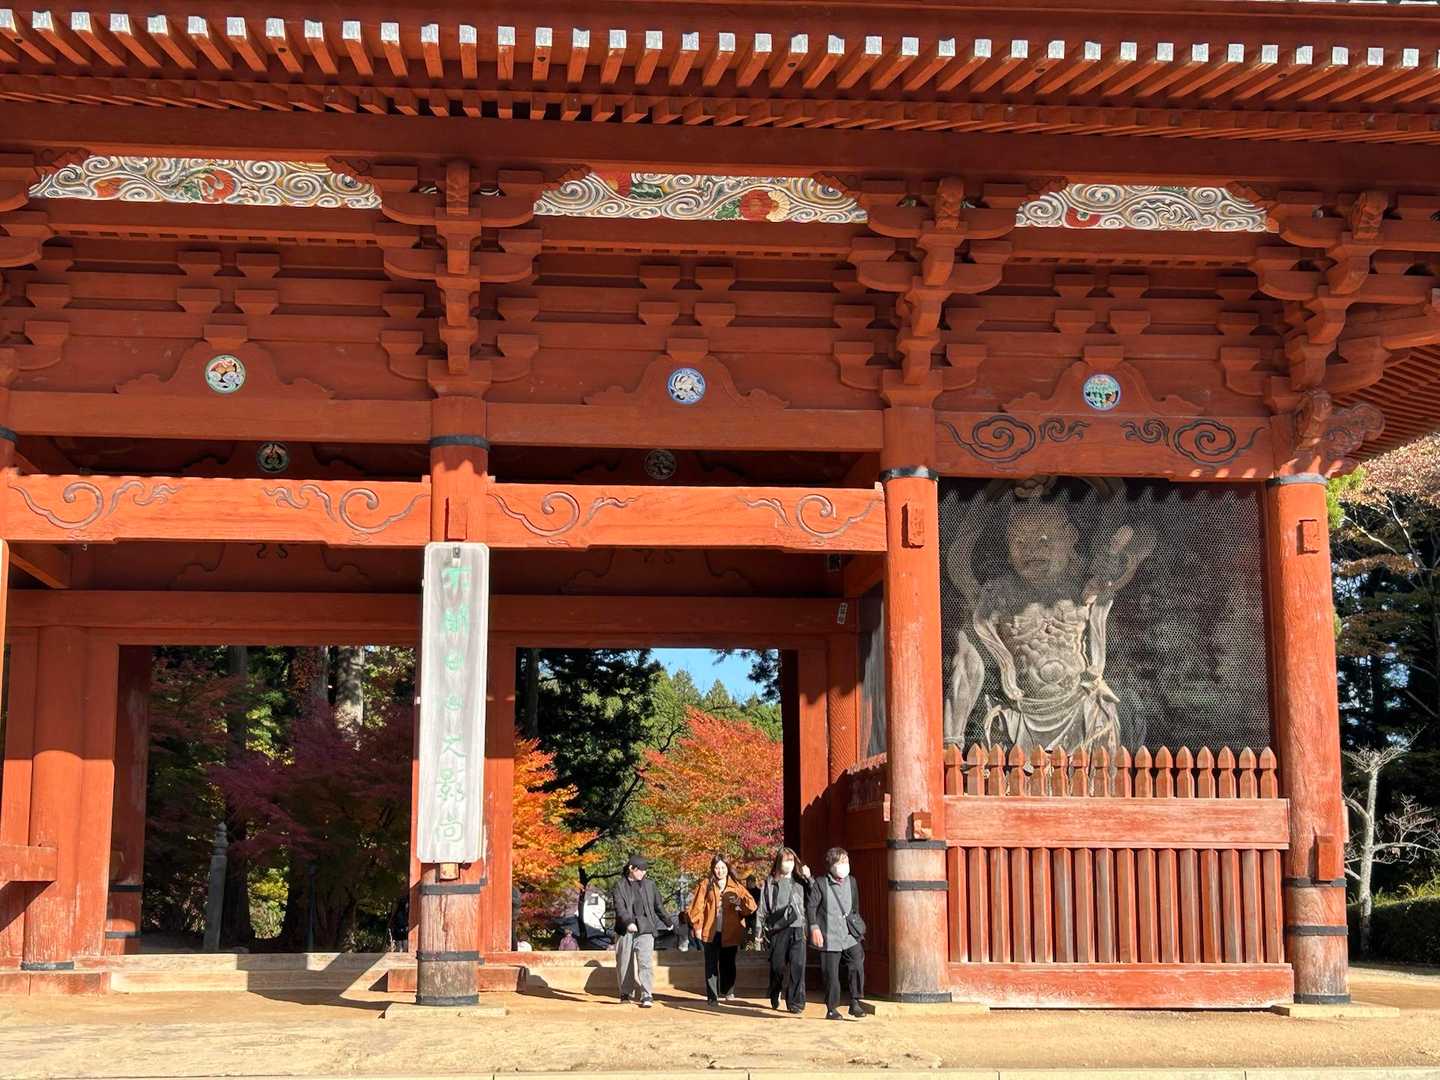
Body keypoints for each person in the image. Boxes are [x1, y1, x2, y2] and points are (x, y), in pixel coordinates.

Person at [686, 853, 757, 1006]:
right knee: (711, 964)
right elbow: (697, 907)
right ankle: (712, 996)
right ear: (713, 869)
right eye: (717, 868)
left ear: (727, 868)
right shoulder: (706, 884)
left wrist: (737, 902)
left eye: (723, 868)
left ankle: (728, 991)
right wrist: (697, 927)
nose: (720, 871)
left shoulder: (736, 886)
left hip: (731, 931)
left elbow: (749, 908)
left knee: (728, 963)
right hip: (710, 931)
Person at [806, 846, 865, 1020]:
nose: (844, 865)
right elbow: (811, 907)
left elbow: (855, 907)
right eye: (840, 862)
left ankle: (855, 1002)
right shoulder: (821, 883)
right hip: (829, 935)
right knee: (831, 974)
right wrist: (814, 927)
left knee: (857, 964)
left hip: (849, 935)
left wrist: (856, 926)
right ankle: (832, 1008)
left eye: (846, 861)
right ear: (831, 865)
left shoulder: (852, 882)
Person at [611, 853, 672, 1009]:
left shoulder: (650, 885)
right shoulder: (619, 885)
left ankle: (647, 994)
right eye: (640, 870)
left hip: (646, 927)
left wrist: (668, 922)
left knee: (645, 962)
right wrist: (628, 922)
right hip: (625, 929)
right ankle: (625, 993)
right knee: (624, 962)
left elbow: (658, 906)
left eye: (645, 870)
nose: (643, 873)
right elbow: (620, 908)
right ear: (631, 868)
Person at [757, 846, 810, 1014]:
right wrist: (758, 933)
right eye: (786, 860)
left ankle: (795, 1002)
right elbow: (762, 909)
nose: (789, 864)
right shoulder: (770, 882)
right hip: (778, 929)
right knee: (777, 966)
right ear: (779, 862)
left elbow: (814, 896)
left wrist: (809, 878)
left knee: (798, 965)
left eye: (792, 860)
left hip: (798, 927)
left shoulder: (800, 881)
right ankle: (775, 990)